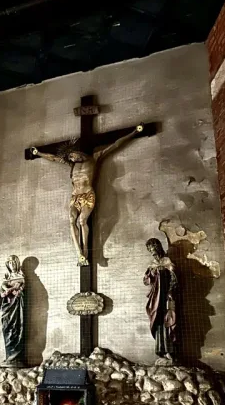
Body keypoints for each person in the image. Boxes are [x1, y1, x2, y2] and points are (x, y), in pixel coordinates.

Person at [31, 124, 143, 265]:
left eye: (72, 156)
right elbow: (53, 158)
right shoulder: (71, 164)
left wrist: (133, 132)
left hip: (88, 195)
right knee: (71, 220)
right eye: (70, 158)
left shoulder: (95, 158)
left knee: (82, 221)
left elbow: (115, 145)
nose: (71, 159)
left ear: (78, 152)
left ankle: (85, 251)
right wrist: (38, 153)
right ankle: (79, 253)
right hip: (75, 197)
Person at [143, 237, 177, 358]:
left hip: (166, 296)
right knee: (158, 322)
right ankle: (161, 350)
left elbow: (174, 277)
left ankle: (169, 351)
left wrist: (170, 290)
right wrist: (152, 272)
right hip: (156, 298)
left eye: (153, 249)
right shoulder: (152, 264)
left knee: (168, 321)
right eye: (150, 250)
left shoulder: (167, 261)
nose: (152, 252)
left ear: (158, 248)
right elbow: (147, 281)